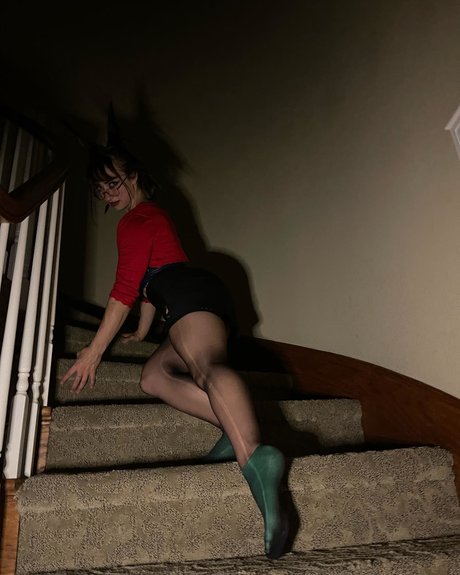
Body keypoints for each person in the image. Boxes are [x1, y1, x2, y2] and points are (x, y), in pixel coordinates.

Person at [60, 144, 288, 559]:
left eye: (113, 182)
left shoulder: (135, 220)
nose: (107, 193)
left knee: (205, 366)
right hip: (191, 295)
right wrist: (142, 330)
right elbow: (151, 285)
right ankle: (231, 421)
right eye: (100, 189)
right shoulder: (153, 216)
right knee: (153, 377)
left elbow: (125, 290)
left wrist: (93, 351)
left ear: (133, 175)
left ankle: (255, 455)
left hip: (188, 298)